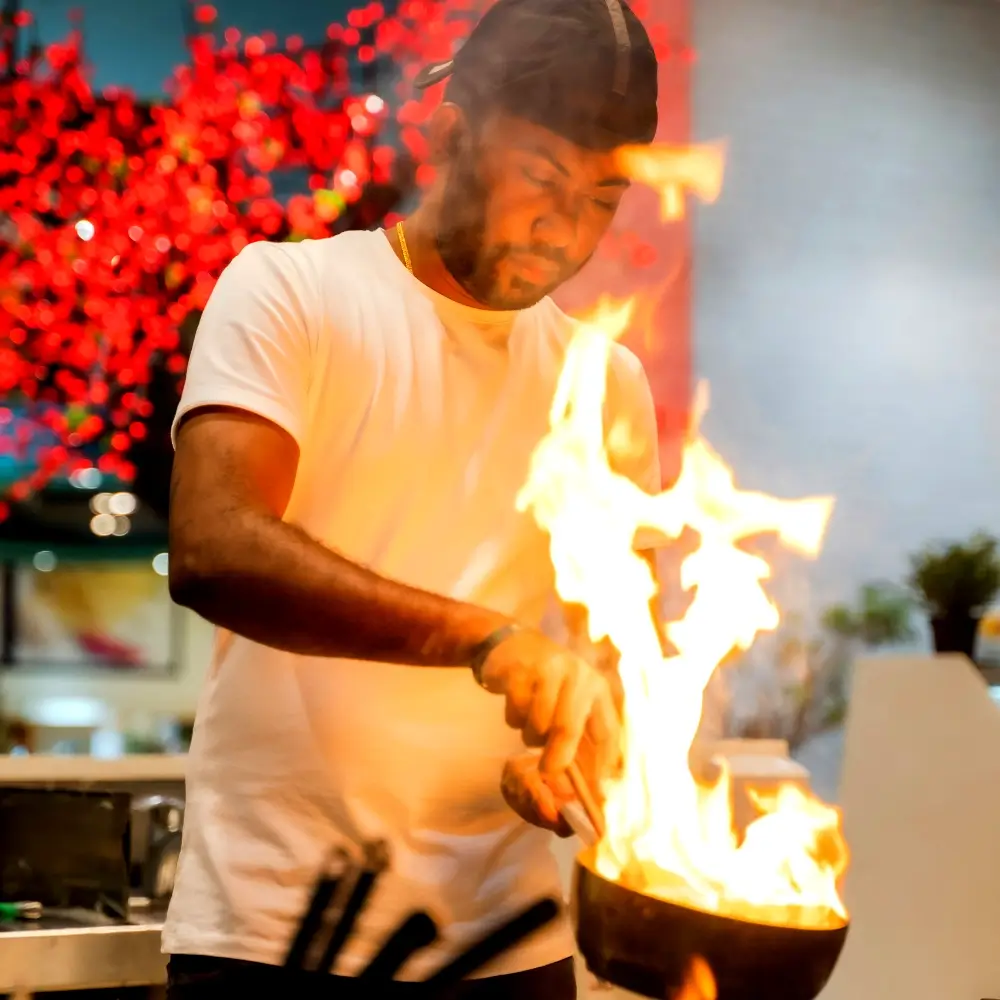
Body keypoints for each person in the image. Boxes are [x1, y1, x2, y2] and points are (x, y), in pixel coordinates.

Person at [163, 0, 661, 996]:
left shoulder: (606, 385)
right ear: (447, 135)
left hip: (507, 947)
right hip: (277, 936)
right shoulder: (288, 294)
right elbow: (212, 547)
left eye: (602, 198)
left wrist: (574, 759)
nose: (567, 228)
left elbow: (614, 674)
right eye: (542, 179)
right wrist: (485, 639)